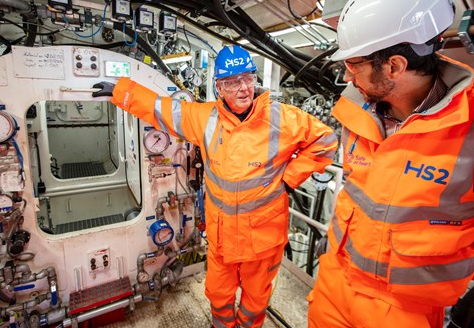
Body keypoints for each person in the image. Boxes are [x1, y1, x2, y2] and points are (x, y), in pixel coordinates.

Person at [307, 0, 474, 328]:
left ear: (394, 66)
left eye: (354, 64)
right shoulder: (357, 111)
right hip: (334, 283)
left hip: (403, 310)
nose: (348, 77)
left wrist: (451, 269)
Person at [92, 45, 338, 328]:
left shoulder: (283, 118)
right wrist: (123, 92)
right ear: (219, 87)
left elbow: (326, 141)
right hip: (222, 237)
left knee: (256, 299)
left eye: (248, 78)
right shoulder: (205, 118)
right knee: (219, 294)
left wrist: (290, 178)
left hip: (264, 238)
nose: (243, 88)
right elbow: (163, 110)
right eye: (233, 82)